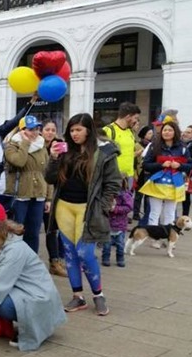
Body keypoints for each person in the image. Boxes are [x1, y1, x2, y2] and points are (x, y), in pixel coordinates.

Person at [0, 201, 66, 351]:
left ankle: (33, 327)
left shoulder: (14, 250)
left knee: (3, 305)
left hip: (34, 296)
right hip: (13, 289)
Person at [45, 113, 121, 316]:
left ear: (89, 129)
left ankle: (98, 295)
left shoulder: (104, 152)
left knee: (85, 253)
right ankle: (78, 296)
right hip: (64, 207)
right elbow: (50, 178)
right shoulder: (64, 149)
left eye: (78, 129)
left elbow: (113, 182)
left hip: (88, 209)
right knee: (69, 253)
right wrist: (53, 158)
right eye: (71, 130)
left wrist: (102, 206)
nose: (74, 133)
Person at [3, 115, 50, 254]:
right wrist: (25, 142)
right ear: (21, 130)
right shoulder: (12, 145)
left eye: (36, 128)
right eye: (30, 129)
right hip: (20, 195)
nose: (35, 132)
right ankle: (13, 260)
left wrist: (49, 198)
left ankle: (31, 262)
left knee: (33, 232)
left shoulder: (42, 145)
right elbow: (19, 162)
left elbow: (47, 172)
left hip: (39, 194)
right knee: (16, 232)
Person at [0, 93, 38, 201]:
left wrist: (30, 104)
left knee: (1, 201)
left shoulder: (0, 131)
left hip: (0, 174)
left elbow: (16, 120)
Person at [139, 121, 192, 226]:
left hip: (175, 185)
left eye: (170, 130)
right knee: (154, 213)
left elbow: (190, 164)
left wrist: (179, 166)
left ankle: (168, 239)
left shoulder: (182, 148)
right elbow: (145, 164)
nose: (167, 132)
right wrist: (161, 165)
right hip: (156, 184)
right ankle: (154, 239)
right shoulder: (154, 146)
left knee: (170, 213)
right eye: (165, 130)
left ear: (175, 132)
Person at [40, 120, 67, 277]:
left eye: (53, 130)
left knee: (53, 229)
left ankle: (56, 261)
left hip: (53, 193)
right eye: (47, 129)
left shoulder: (59, 147)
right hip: (37, 193)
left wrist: (49, 198)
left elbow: (55, 174)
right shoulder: (36, 145)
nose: (50, 132)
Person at [101, 102, 140, 187]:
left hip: (129, 176)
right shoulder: (108, 130)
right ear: (128, 117)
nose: (136, 121)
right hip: (113, 177)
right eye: (135, 118)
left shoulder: (130, 132)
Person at [101, 177, 133, 268]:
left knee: (120, 244)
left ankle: (120, 258)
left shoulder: (125, 195)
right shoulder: (107, 194)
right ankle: (105, 258)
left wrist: (115, 209)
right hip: (108, 224)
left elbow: (128, 207)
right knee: (106, 244)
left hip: (120, 225)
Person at [133, 125, 154, 223]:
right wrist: (135, 174)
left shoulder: (152, 145)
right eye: (149, 133)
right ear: (144, 135)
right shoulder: (137, 145)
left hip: (148, 173)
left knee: (147, 196)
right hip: (139, 173)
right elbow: (134, 161)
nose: (151, 135)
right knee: (138, 195)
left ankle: (146, 213)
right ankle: (135, 213)